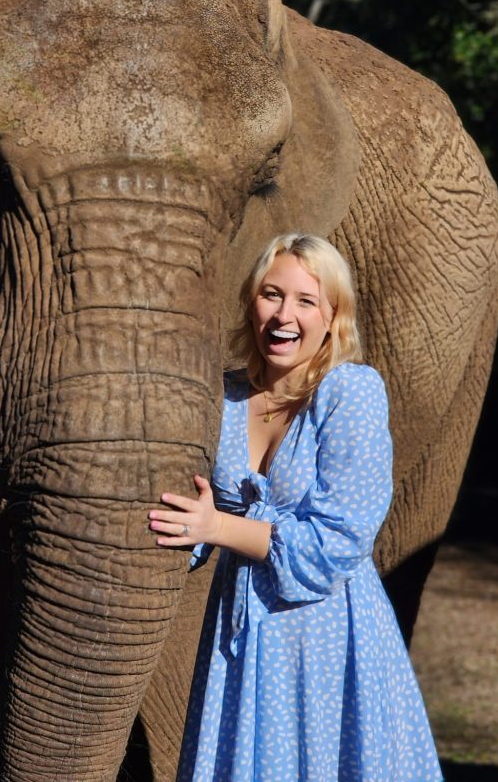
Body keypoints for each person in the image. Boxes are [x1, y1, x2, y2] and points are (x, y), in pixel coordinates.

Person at [148, 233, 442, 782]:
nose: (285, 315)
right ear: (250, 303)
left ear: (333, 316)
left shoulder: (349, 392)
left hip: (325, 633)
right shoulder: (224, 396)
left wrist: (219, 525)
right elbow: (198, 517)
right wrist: (195, 529)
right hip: (239, 635)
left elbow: (335, 544)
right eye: (271, 294)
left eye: (306, 301)